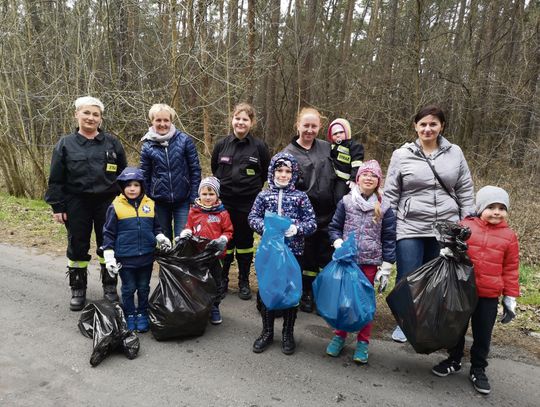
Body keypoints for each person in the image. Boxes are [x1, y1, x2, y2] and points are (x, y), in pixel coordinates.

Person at [383, 105, 474, 342]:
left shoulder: (455, 152)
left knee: (437, 278)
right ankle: (405, 324)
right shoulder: (402, 155)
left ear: (441, 126)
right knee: (409, 275)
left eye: (433, 124)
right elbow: (391, 193)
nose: (427, 128)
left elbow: (465, 188)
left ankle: (426, 322)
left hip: (445, 227)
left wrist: (467, 220)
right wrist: (388, 225)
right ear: (415, 126)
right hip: (409, 225)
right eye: (423, 124)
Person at [432, 186, 519, 395]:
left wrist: (510, 296)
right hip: (462, 290)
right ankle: (454, 359)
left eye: (501, 208)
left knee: (483, 335)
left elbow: (511, 268)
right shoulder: (465, 227)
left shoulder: (509, 237)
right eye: (491, 207)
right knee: (457, 328)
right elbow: (452, 247)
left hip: (488, 295)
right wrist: (447, 251)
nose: (497, 212)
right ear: (480, 208)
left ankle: (478, 368)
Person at [45, 96, 127, 311]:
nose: (91, 118)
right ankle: (78, 289)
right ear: (77, 115)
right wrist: (57, 206)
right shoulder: (65, 144)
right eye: (86, 113)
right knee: (77, 245)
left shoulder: (112, 143)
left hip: (107, 203)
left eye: (95, 114)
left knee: (107, 244)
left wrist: (125, 202)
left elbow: (124, 176)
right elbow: (56, 178)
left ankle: (110, 287)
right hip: (76, 202)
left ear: (100, 119)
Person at [326, 160, 396, 363]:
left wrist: (387, 265)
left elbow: (389, 237)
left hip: (370, 263)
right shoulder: (346, 202)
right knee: (344, 301)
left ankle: (363, 342)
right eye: (364, 174)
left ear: (378, 181)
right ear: (358, 179)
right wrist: (337, 241)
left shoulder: (385, 206)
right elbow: (334, 227)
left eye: (373, 176)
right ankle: (340, 336)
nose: (368, 178)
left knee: (365, 305)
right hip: (348, 262)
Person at [248, 152, 317, 354]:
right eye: (279, 170)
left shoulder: (300, 197)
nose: (283, 174)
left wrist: (296, 229)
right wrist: (266, 227)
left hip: (293, 253)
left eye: (288, 171)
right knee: (268, 290)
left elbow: (311, 223)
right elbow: (252, 217)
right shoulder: (264, 195)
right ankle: (267, 332)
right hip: (269, 253)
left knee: (291, 292)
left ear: (294, 174)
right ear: (272, 172)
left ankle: (288, 332)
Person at [211, 103, 271, 300]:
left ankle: (244, 281)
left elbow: (265, 172)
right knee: (226, 242)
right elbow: (215, 170)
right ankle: (223, 280)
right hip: (225, 203)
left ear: (251, 123)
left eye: (245, 119)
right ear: (232, 120)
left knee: (245, 243)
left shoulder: (259, 147)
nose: (240, 122)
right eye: (237, 118)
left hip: (248, 203)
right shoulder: (221, 145)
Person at [101, 167, 172, 332]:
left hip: (146, 257)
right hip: (125, 258)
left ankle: (142, 313)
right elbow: (108, 233)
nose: (132, 188)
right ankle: (129, 314)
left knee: (143, 287)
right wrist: (109, 257)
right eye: (127, 185)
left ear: (142, 187)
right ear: (122, 187)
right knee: (128, 288)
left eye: (135, 185)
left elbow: (156, 228)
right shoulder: (116, 207)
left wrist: (161, 238)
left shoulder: (150, 204)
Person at [283, 107, 336, 313]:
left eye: (314, 126)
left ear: (320, 127)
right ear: (298, 125)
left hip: (329, 212)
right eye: (306, 125)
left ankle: (324, 294)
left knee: (327, 255)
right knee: (308, 257)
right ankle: (306, 293)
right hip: (304, 214)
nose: (309, 130)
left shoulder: (326, 147)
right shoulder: (288, 153)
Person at [140, 103, 201, 240]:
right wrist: (148, 198)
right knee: (163, 240)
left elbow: (195, 170)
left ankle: (180, 263)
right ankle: (165, 263)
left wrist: (193, 197)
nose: (162, 124)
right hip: (159, 202)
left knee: (183, 239)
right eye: (158, 120)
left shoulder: (184, 140)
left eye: (166, 120)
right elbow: (144, 175)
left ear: (171, 121)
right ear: (152, 121)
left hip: (183, 200)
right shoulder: (147, 145)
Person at [178, 176, 234, 325]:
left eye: (211, 194)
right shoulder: (194, 211)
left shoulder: (222, 213)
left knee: (215, 282)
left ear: (217, 195)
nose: (208, 197)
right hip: (197, 255)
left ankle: (214, 307)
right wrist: (186, 232)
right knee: (196, 282)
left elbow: (228, 231)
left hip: (215, 256)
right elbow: (188, 226)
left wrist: (223, 239)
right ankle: (198, 307)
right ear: (199, 195)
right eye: (204, 194)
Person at [327, 118, 364, 203]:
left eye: (341, 132)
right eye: (335, 133)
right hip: (332, 178)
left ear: (347, 132)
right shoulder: (331, 146)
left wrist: (353, 179)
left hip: (345, 181)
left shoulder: (354, 146)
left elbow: (357, 164)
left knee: (340, 198)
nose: (338, 135)